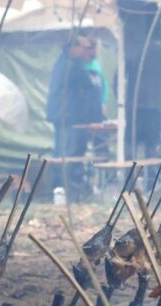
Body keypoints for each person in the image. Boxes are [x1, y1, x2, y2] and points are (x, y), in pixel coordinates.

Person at [46, 35, 104, 199]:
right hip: (67, 116)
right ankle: (65, 189)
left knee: (65, 151)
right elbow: (88, 82)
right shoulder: (69, 66)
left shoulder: (66, 62)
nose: (85, 51)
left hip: (64, 115)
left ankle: (64, 188)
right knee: (69, 153)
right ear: (73, 48)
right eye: (82, 48)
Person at [127, 37, 161, 159]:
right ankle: (152, 171)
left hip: (134, 105)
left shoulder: (132, 49)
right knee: (152, 146)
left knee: (131, 144)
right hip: (154, 105)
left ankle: (129, 170)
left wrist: (125, 101)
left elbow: (118, 78)